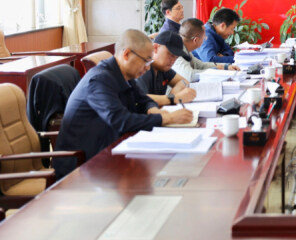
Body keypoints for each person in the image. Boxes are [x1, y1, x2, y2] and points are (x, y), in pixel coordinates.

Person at [54, 30, 193, 178]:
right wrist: (166, 118)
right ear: (127, 54)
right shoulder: (99, 80)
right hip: (82, 164)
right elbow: (120, 120)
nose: (148, 67)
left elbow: (144, 99)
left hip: (110, 148)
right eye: (146, 61)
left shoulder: (123, 74)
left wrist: (153, 110)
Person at [136, 31, 197, 106]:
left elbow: (184, 82)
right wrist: (173, 99)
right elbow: (139, 98)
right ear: (155, 48)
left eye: (176, 57)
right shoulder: (144, 69)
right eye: (171, 55)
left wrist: (172, 96)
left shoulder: (163, 68)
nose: (173, 60)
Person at [173, 18, 240, 82]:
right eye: (204, 37)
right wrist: (216, 70)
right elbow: (191, 76)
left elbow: (200, 65)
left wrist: (225, 67)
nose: (205, 39)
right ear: (195, 40)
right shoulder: (176, 50)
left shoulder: (185, 48)